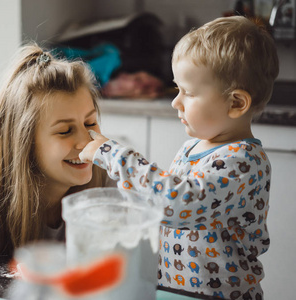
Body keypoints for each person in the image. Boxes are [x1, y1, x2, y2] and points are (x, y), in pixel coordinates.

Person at [79, 16, 279, 299]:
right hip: (177, 291)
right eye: (177, 89)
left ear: (236, 103)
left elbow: (178, 203)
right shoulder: (190, 148)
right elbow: (157, 201)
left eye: (189, 92)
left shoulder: (244, 161)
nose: (176, 101)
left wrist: (115, 155)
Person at [0, 43, 110, 255]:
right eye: (65, 131)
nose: (86, 141)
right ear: (24, 143)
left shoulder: (104, 178)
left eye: (90, 123)